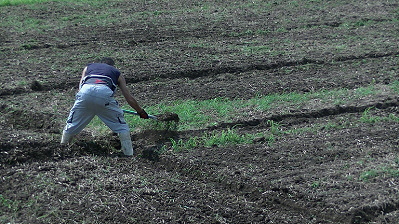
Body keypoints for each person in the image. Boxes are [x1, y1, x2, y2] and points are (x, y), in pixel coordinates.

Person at [61, 57, 148, 156]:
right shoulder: (117, 73)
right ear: (112, 66)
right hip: (104, 94)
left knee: (71, 125)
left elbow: (81, 87)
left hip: (85, 92)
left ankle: (62, 149)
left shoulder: (88, 67)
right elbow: (129, 98)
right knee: (122, 128)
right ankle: (129, 154)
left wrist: (84, 102)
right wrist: (140, 111)